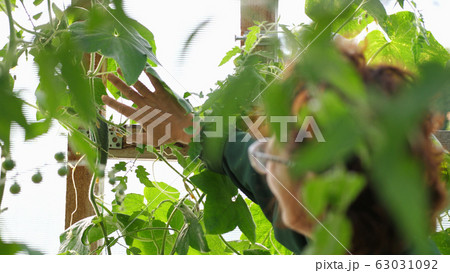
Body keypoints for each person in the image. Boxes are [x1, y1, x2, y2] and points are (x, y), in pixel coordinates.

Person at [101, 42, 447, 254]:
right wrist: (190, 129)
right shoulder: (346, 230)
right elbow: (250, 164)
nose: (262, 160)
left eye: (273, 154)